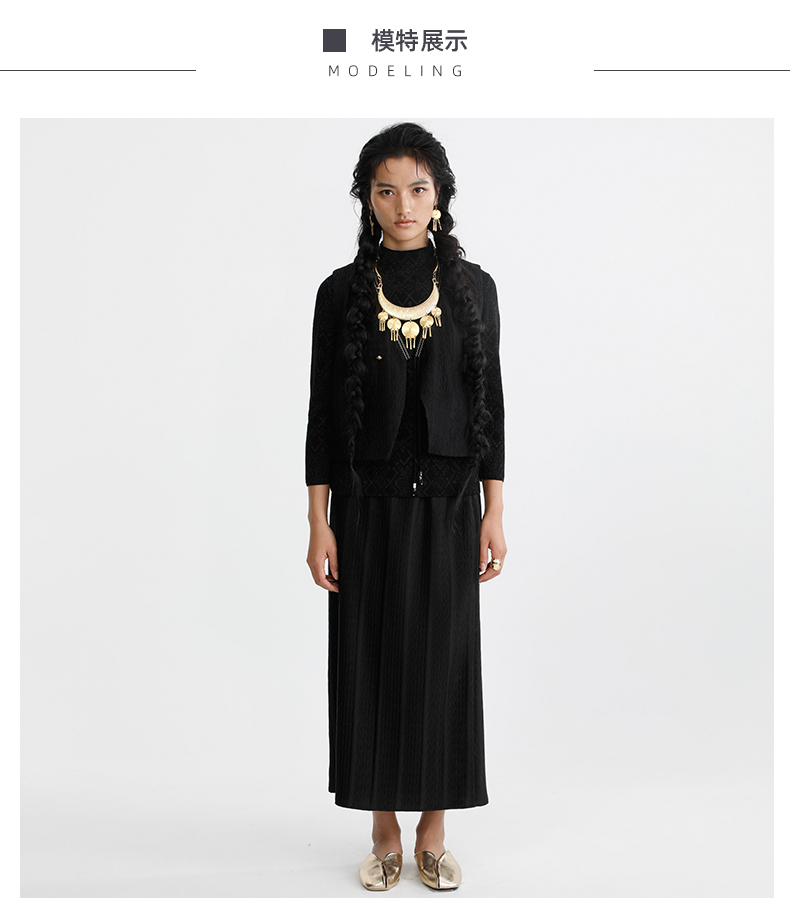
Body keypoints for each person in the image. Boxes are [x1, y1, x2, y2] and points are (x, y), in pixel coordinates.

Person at [305, 122, 506, 892]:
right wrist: (318, 521)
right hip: (365, 507)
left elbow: (491, 406)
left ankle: (434, 831)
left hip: (450, 506)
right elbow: (323, 414)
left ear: (440, 195)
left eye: (418, 188)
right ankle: (384, 828)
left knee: (443, 668)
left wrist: (493, 510)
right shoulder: (340, 293)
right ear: (367, 199)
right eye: (386, 190)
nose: (403, 205)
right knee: (370, 663)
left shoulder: (475, 288)